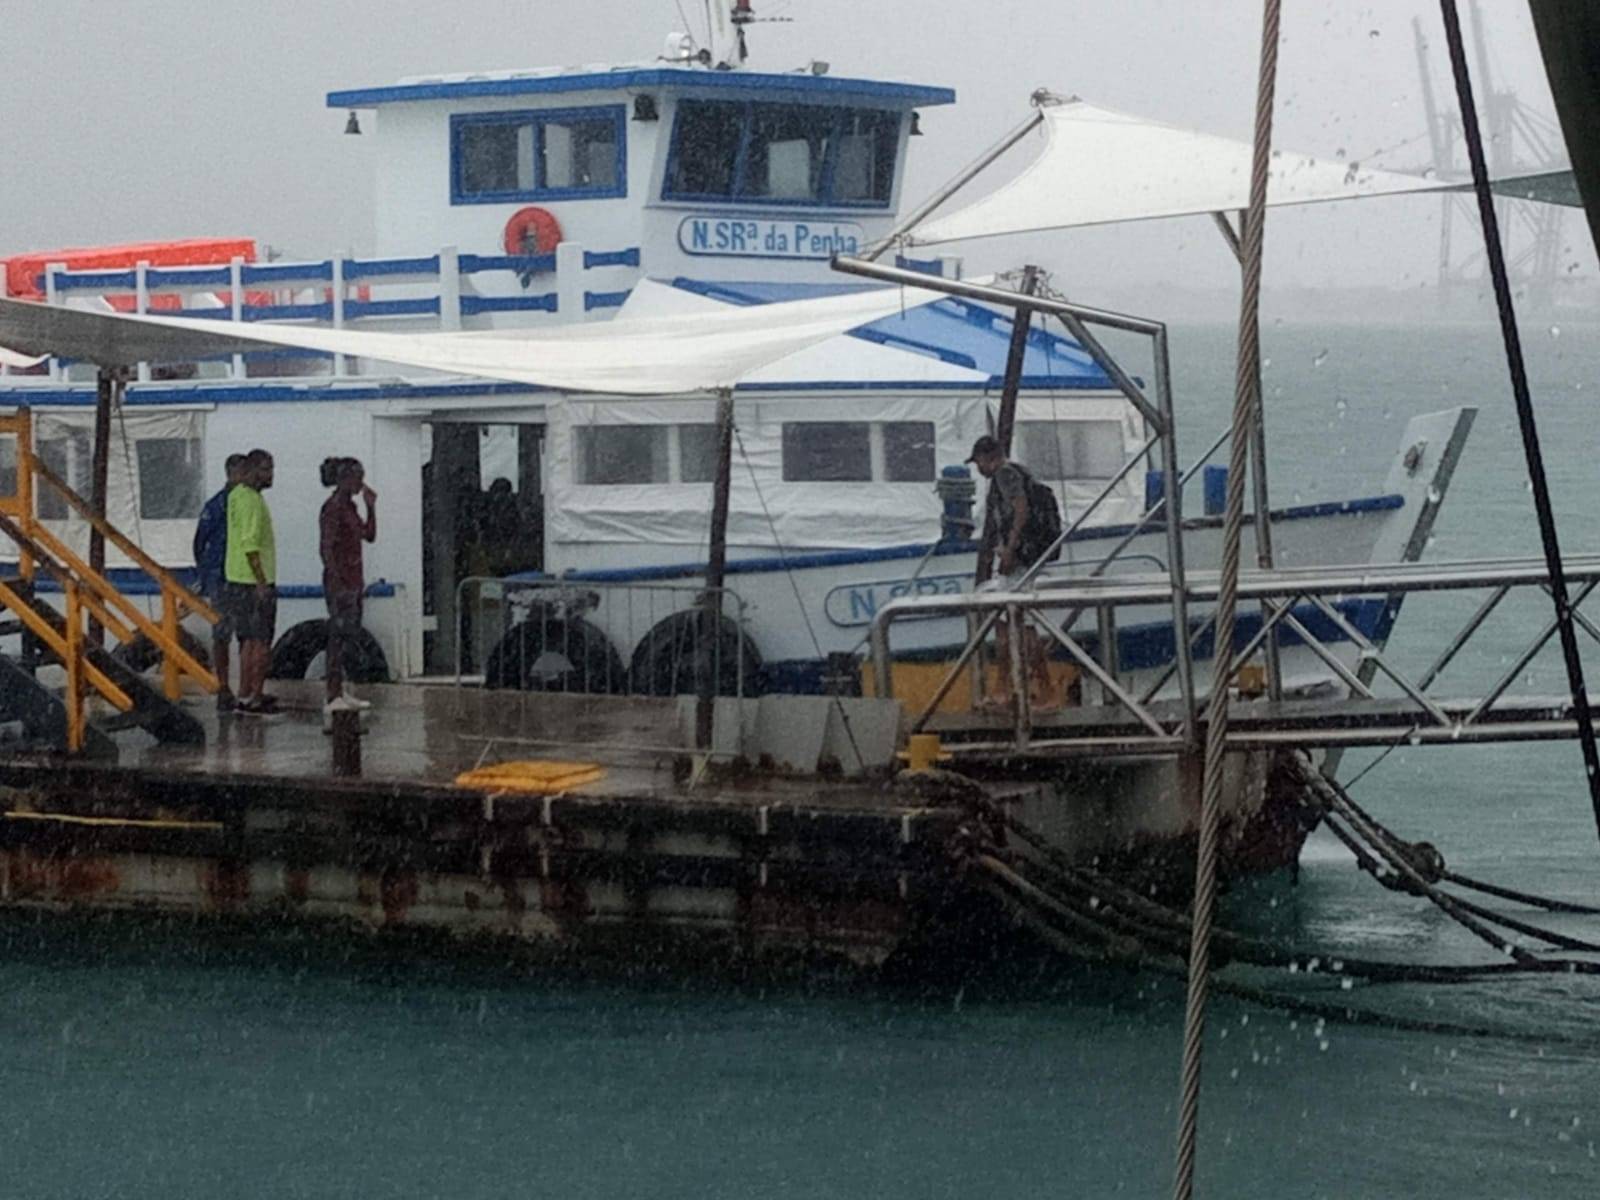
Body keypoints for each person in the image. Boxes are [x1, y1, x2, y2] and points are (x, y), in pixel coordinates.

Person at [968, 435, 1056, 712]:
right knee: (1006, 625)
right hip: (1023, 558)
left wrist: (1009, 549)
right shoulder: (1019, 472)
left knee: (1021, 626)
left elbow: (1021, 510)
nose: (978, 469)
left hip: (1018, 561)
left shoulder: (1005, 475)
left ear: (988, 457)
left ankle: (1043, 690)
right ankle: (1005, 687)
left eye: (979, 462)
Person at [319, 457, 377, 714]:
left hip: (354, 580)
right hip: (340, 581)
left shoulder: (351, 508)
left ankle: (342, 690)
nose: (361, 483)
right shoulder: (332, 508)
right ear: (344, 479)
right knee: (337, 637)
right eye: (357, 477)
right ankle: (332, 693)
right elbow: (326, 547)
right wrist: (336, 580)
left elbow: (370, 535)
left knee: (349, 636)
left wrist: (371, 508)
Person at [224, 448, 278, 715]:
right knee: (260, 641)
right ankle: (254, 695)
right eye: (267, 470)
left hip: (235, 578)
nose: (271, 476)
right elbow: (250, 544)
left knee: (246, 640)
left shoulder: (235, 496)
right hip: (253, 580)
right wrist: (261, 582)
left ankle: (244, 694)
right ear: (253, 471)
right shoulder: (252, 501)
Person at [193, 453, 245, 711]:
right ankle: (223, 687)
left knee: (246, 635)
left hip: (242, 576)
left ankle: (244, 689)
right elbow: (200, 542)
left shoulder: (247, 503)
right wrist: (207, 574)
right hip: (222, 577)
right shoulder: (217, 506)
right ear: (231, 473)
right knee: (222, 634)